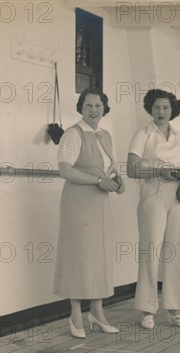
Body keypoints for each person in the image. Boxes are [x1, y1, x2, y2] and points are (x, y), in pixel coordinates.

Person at [53, 88, 125, 338]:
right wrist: (98, 181)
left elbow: (107, 169)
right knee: (78, 257)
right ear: (81, 108)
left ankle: (97, 313)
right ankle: (75, 316)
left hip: (100, 204)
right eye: (88, 105)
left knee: (98, 257)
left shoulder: (105, 135)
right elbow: (66, 171)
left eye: (98, 105)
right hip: (78, 203)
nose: (94, 110)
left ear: (105, 109)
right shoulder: (73, 134)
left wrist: (117, 180)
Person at [127, 89, 180, 329]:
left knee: (175, 251)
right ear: (150, 109)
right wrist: (158, 171)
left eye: (165, 107)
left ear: (172, 109)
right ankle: (147, 310)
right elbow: (132, 169)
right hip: (153, 195)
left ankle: (174, 309)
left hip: (177, 197)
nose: (161, 112)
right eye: (156, 107)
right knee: (150, 250)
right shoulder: (143, 134)